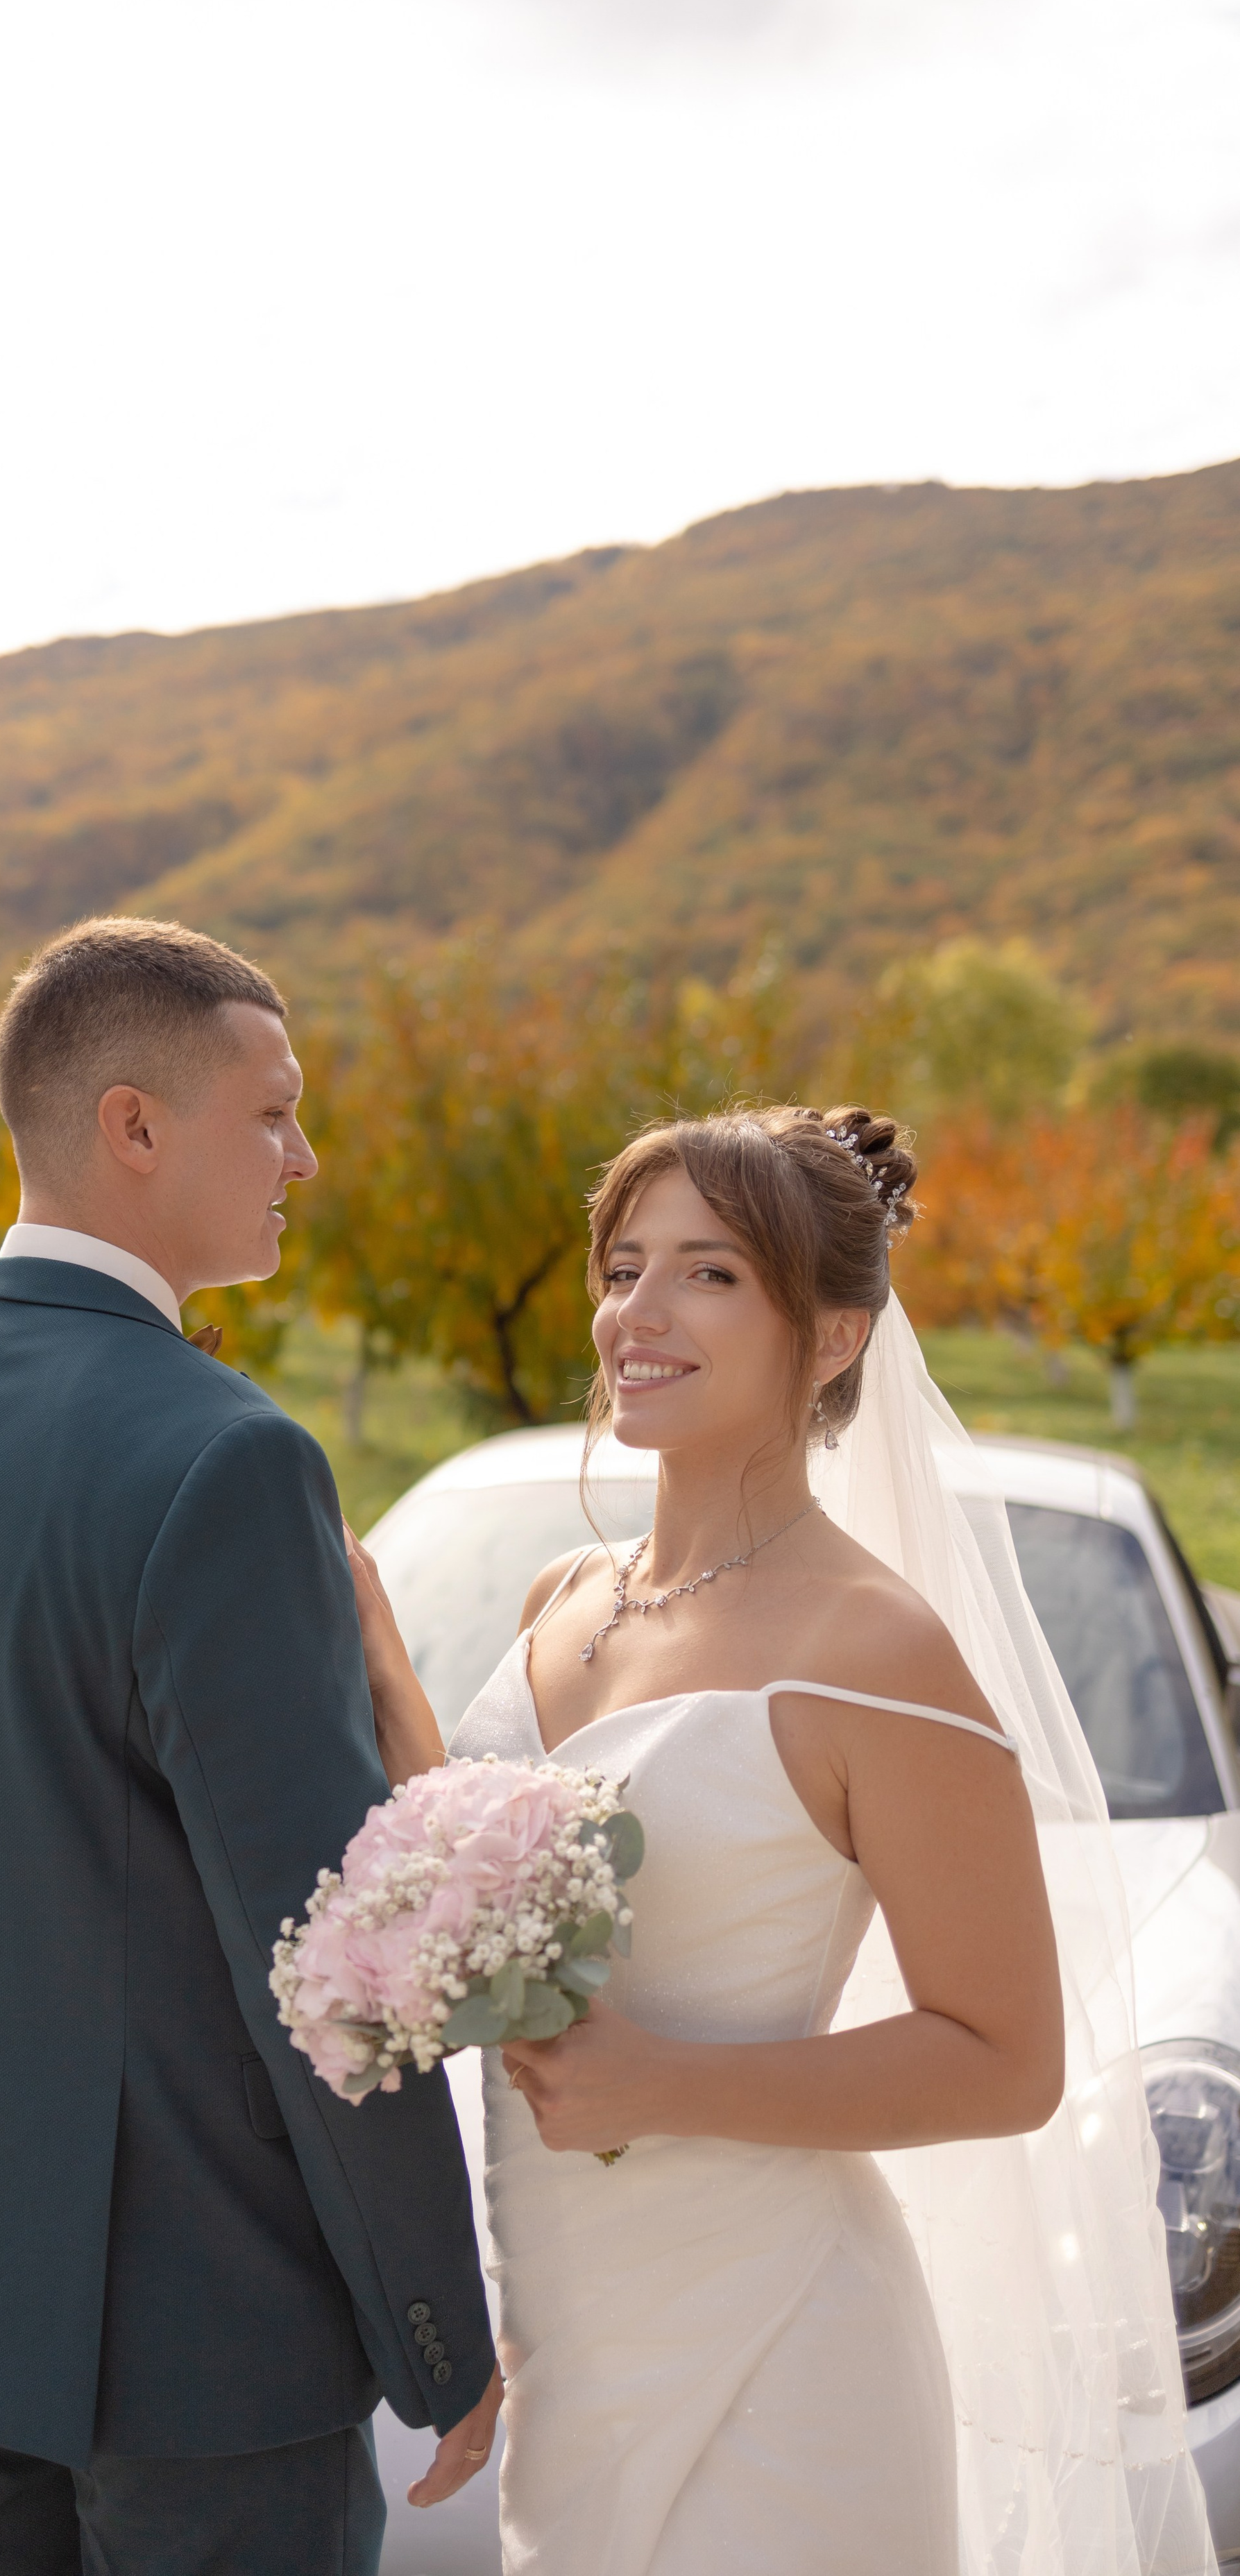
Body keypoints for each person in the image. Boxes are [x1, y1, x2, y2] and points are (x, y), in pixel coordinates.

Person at [347, 1102, 1216, 2575]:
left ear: (830, 1337)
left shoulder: (872, 1647)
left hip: (775, 2342)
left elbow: (1003, 2059)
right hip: (566, 2313)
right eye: (624, 1267)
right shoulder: (561, 1591)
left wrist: (662, 2081)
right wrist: (378, 1671)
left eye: (709, 1274)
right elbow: (478, 1881)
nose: (639, 1312)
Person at [0, 916, 500, 2576]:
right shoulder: (227, 1460)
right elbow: (318, 1948)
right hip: (195, 2327)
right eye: (274, 1111)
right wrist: (436, 2325)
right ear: (134, 1127)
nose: (304, 1154)